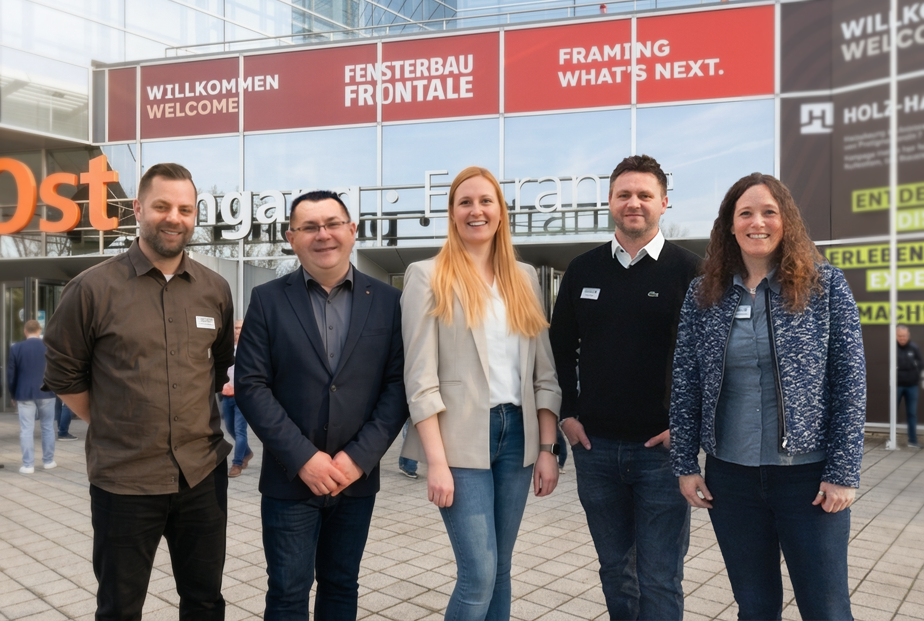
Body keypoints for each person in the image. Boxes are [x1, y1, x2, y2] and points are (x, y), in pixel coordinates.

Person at [670, 173, 866, 620]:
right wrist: (684, 464)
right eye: (745, 213)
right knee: (755, 607)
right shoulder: (704, 293)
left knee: (827, 608)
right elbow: (686, 381)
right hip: (731, 478)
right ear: (730, 224)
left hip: (808, 479)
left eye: (768, 212)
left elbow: (850, 381)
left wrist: (843, 472)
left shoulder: (825, 286)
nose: (757, 223)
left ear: (786, 221)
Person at [43, 163, 235, 621]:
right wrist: (116, 419)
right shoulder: (91, 288)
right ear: (137, 209)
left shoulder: (215, 289)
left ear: (194, 215)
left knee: (205, 602)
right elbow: (64, 376)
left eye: (185, 209)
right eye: (162, 206)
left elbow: (216, 368)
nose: (174, 218)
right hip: (123, 480)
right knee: (120, 609)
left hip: (201, 476)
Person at [234, 190, 408, 620]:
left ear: (352, 231)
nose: (323, 235)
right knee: (287, 593)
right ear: (291, 238)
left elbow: (397, 387)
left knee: (342, 585)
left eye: (332, 224)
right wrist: (304, 459)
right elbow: (251, 385)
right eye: (309, 227)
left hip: (355, 479)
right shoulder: (267, 299)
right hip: (290, 479)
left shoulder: (389, 302)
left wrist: (359, 459)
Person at [401, 166, 561, 621]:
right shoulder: (426, 275)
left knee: (501, 569)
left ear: (500, 211)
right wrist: (435, 462)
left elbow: (544, 373)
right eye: (465, 202)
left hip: (518, 438)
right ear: (452, 213)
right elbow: (420, 377)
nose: (477, 211)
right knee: (478, 574)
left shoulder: (524, 277)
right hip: (458, 443)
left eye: (486, 201)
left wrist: (547, 448)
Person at [549, 154, 701, 620]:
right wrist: (567, 414)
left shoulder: (692, 272)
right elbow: (559, 348)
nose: (634, 203)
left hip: (662, 454)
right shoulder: (582, 270)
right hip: (595, 451)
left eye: (644, 195)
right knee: (615, 570)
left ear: (664, 203)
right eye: (624, 195)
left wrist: (686, 429)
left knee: (660, 576)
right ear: (610, 201)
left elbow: (709, 361)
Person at [9, 319, 56, 474]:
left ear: (25, 331)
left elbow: (11, 374)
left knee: (26, 429)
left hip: (24, 393)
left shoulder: (16, 348)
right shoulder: (49, 347)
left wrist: (13, 394)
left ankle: (28, 465)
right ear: (39, 330)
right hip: (47, 392)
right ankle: (48, 461)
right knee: (47, 427)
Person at [222, 319, 254, 477]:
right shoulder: (228, 348)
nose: (237, 331)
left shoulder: (250, 349)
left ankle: (237, 464)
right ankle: (247, 452)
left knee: (240, 431)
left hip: (242, 397)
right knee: (229, 428)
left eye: (240, 328)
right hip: (227, 395)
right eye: (235, 328)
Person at [896, 324, 921, 449]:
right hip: (897, 386)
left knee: (912, 414)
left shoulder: (914, 348)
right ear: (896, 336)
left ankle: (913, 441)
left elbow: (921, 364)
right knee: (893, 413)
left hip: (912, 386)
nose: (902, 338)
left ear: (908, 335)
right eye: (900, 336)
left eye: (904, 336)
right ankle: (892, 439)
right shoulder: (893, 348)